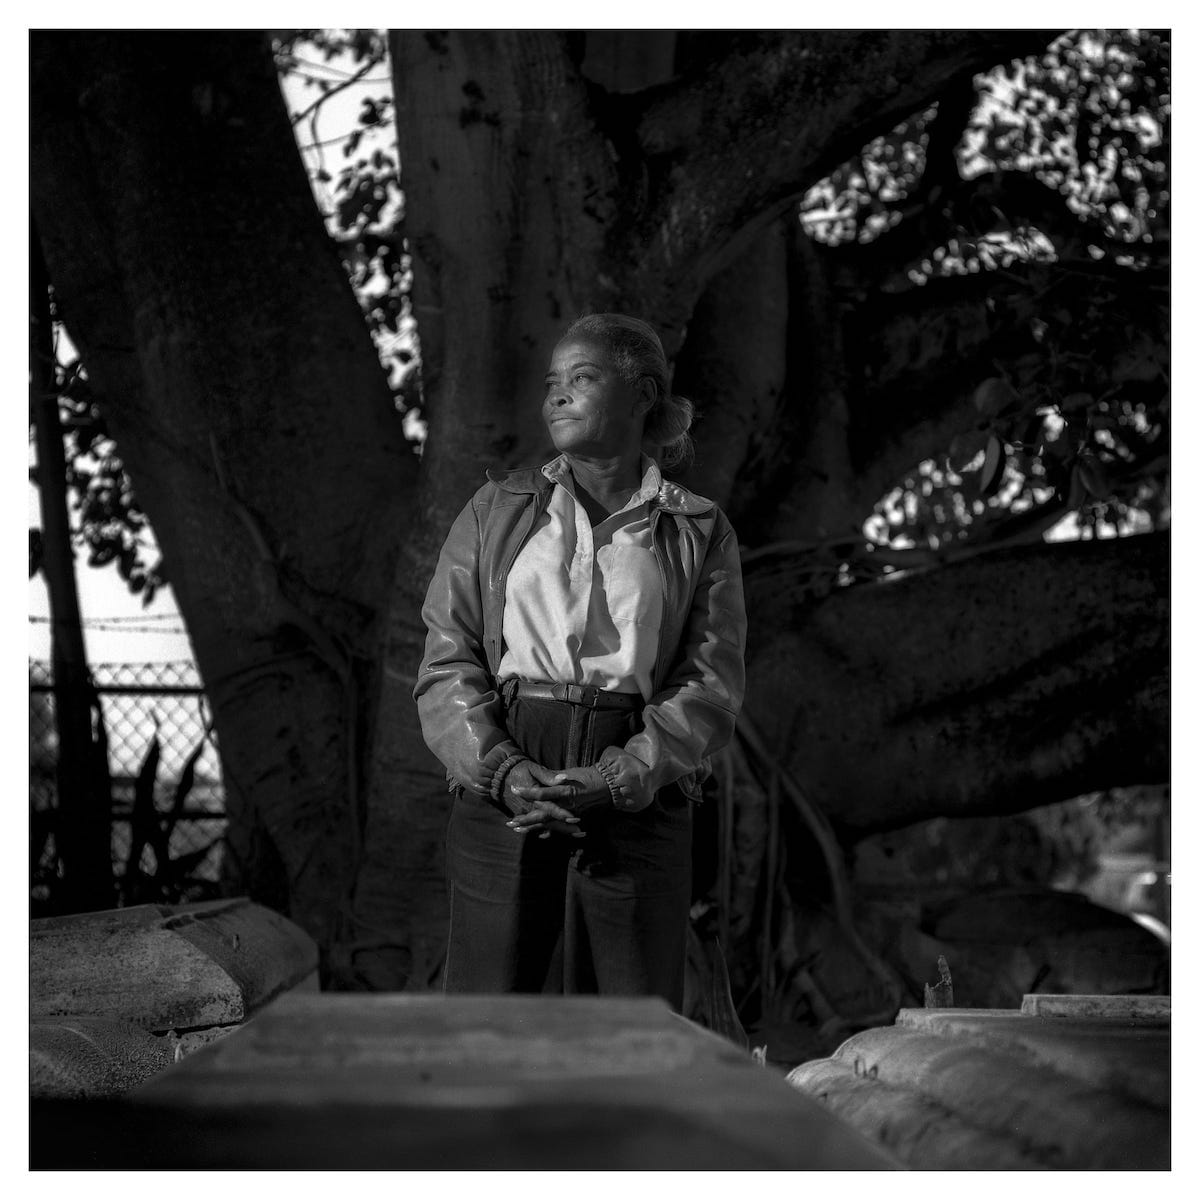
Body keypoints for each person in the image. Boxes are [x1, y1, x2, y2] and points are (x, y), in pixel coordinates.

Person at [413, 313, 747, 1011]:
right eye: (552, 384)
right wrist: (501, 770)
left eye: (582, 378)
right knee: (487, 1023)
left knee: (628, 1031)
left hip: (639, 792)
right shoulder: (492, 511)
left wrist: (620, 775)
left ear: (642, 394)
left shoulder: (700, 529)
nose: (557, 397)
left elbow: (709, 682)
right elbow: (448, 657)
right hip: (503, 784)